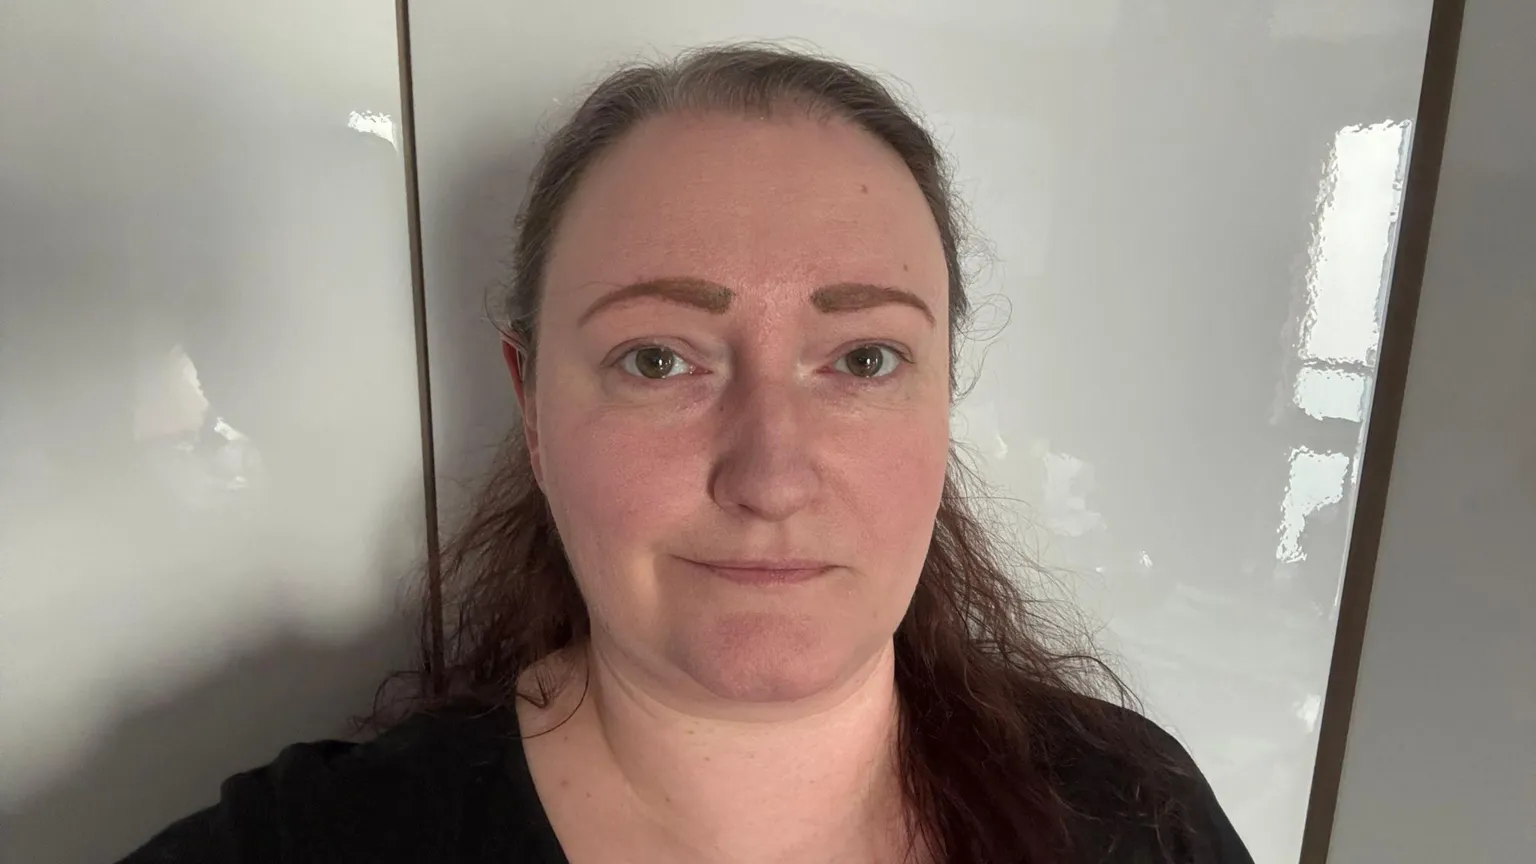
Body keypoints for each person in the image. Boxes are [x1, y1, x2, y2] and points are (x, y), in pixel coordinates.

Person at [120, 44, 1253, 864]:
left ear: (942, 397)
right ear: (532, 406)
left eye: (861, 361)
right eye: (658, 360)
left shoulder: (1131, 814)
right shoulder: (315, 847)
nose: (769, 477)